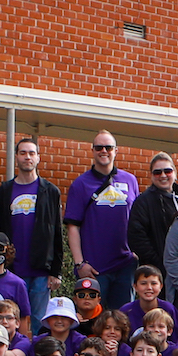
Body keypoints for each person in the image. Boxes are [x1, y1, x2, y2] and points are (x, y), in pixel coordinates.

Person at [66, 130, 145, 309]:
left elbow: (137, 220)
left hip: (125, 266)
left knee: (123, 321)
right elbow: (73, 227)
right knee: (93, 321)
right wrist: (80, 264)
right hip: (95, 269)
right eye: (99, 147)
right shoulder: (80, 184)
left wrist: (136, 253)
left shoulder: (130, 180)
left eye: (108, 147)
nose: (104, 151)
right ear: (92, 150)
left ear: (116, 151)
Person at [0, 137, 65, 327]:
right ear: (16, 156)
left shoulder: (50, 191)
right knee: (10, 322)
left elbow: (57, 231)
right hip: (12, 270)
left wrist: (55, 271)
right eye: (23, 153)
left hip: (40, 271)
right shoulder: (4, 191)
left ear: (38, 158)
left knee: (37, 323)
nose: (27, 157)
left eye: (32, 153)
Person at [129, 151, 178, 274]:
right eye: (157, 172)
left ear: (175, 173)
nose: (163, 175)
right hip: (158, 272)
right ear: (151, 175)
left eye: (167, 171)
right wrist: (158, 263)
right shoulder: (143, 202)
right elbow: (137, 238)